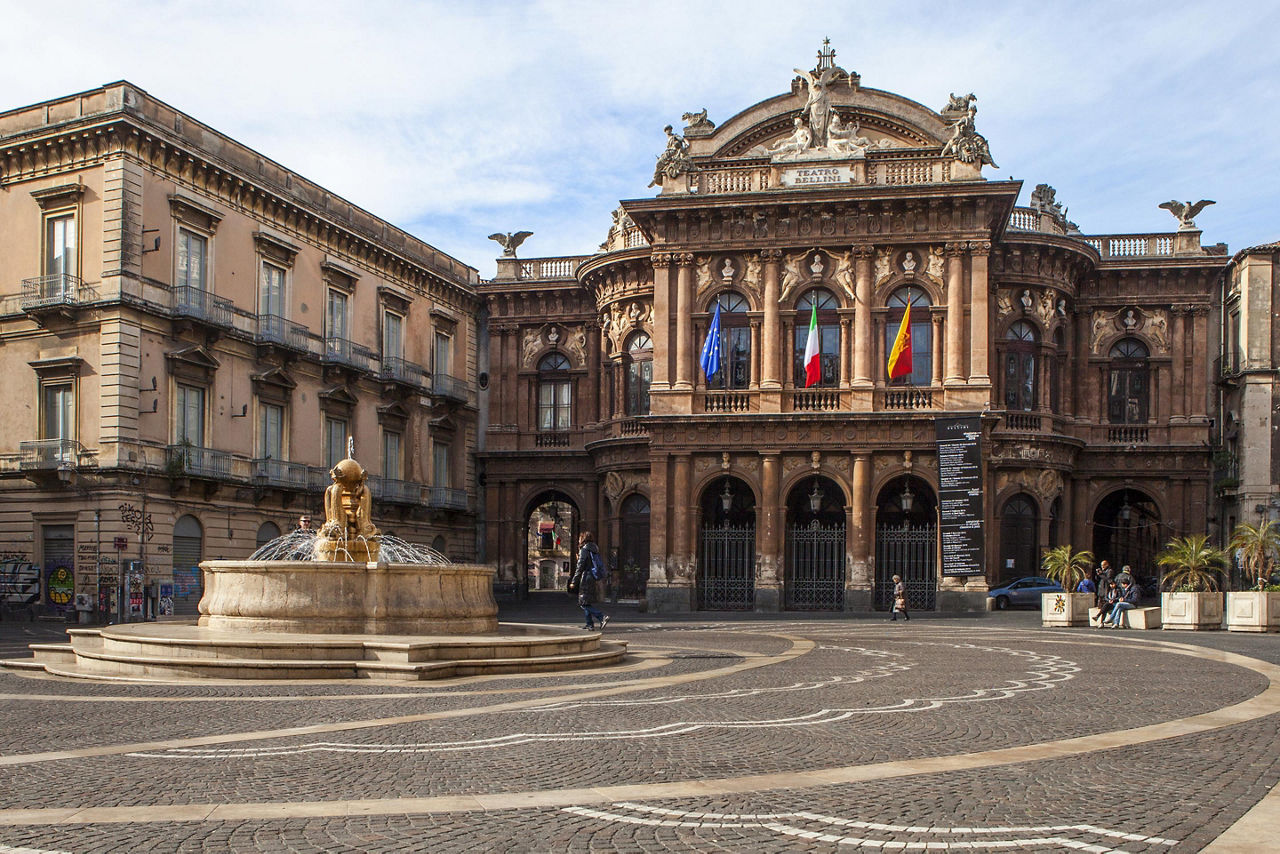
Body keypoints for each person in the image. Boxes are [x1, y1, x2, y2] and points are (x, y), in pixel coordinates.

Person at [572, 531, 609, 631]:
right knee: (586, 601)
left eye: (580, 538)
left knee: (582, 603)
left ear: (583, 539)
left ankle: (601, 617)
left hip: (586, 577)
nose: (579, 540)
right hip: (592, 576)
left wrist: (574, 581)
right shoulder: (594, 548)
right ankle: (589, 624)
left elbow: (580, 566)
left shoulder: (584, 549)